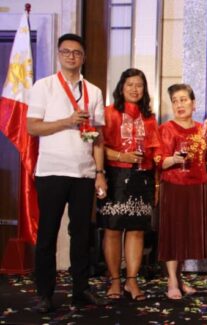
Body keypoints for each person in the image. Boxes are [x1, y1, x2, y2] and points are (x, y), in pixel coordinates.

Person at [27, 33, 108, 313]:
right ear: (59, 55)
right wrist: (66, 121)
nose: (72, 57)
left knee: (82, 235)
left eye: (77, 53)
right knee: (47, 234)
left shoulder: (94, 91)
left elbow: (97, 136)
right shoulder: (44, 86)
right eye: (66, 52)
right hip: (51, 171)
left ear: (83, 57)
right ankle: (44, 294)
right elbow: (33, 127)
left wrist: (99, 172)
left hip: (83, 173)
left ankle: (80, 290)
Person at [97, 68, 160, 302]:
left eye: (139, 85)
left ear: (144, 90)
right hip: (114, 176)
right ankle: (114, 280)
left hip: (142, 178)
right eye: (130, 84)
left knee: (136, 231)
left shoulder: (150, 118)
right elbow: (96, 146)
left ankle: (131, 281)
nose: (135, 89)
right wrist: (120, 157)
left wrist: (156, 185)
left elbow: (156, 153)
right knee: (112, 230)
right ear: (121, 88)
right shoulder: (108, 113)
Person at [157, 84, 207, 299]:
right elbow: (159, 161)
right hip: (174, 185)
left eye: (184, 100)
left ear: (193, 103)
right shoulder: (166, 129)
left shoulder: (201, 129)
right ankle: (171, 280)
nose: (179, 104)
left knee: (187, 236)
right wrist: (174, 159)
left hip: (196, 186)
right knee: (173, 234)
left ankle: (179, 278)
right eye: (175, 101)